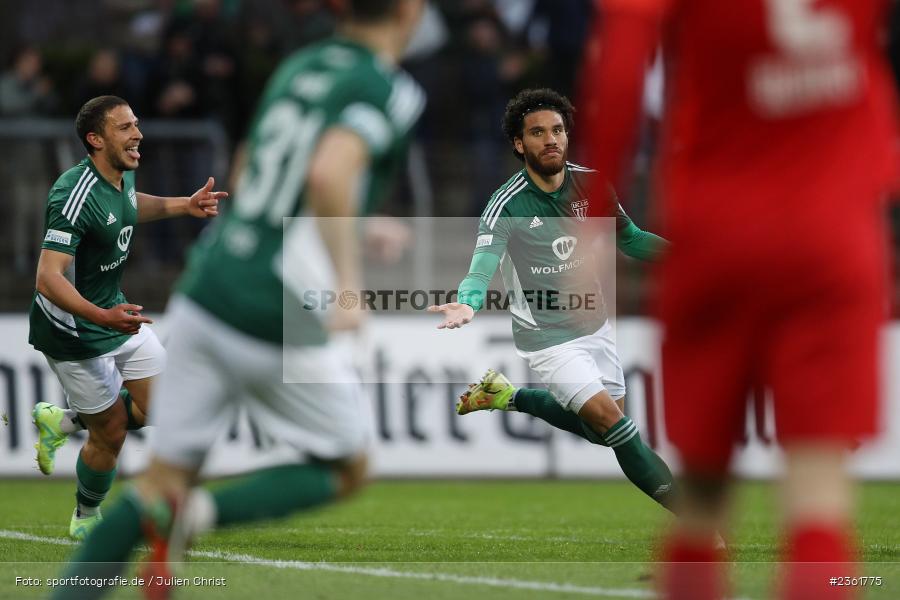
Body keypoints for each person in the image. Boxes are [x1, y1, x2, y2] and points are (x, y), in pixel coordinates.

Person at [51, 0, 426, 598]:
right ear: (409, 10)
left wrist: (344, 225)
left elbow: (254, 166)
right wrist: (349, 290)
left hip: (208, 285)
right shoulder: (389, 88)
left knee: (156, 485)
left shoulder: (300, 66)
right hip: (272, 309)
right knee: (348, 466)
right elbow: (330, 173)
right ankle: (194, 517)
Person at [581, 1, 898, 598]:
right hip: (832, 237)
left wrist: (594, 218)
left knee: (701, 496)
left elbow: (618, 76)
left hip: (717, 232)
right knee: (818, 496)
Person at [428, 88, 679, 516]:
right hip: (547, 339)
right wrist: (467, 302)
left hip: (595, 327)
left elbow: (631, 239)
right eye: (538, 132)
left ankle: (507, 396)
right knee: (613, 424)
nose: (551, 139)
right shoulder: (505, 205)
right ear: (518, 143)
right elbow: (480, 267)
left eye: (558, 130)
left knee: (603, 432)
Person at [29, 94, 225, 541]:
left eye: (136, 123)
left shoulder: (119, 177)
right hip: (72, 329)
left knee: (166, 408)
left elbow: (131, 209)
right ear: (95, 139)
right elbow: (47, 277)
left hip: (115, 314)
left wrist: (183, 204)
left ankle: (61, 421)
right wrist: (101, 315)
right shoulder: (72, 194)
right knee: (112, 432)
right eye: (124, 127)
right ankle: (85, 516)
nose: (137, 133)